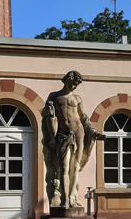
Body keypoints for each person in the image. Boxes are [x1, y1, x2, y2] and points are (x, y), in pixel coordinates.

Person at [42, 70, 103, 209]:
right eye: (72, 84)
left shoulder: (77, 98)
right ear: (66, 81)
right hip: (62, 134)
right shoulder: (54, 96)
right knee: (63, 167)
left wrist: (92, 131)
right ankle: (64, 200)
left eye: (76, 85)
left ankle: (72, 198)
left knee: (75, 166)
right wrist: (50, 134)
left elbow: (83, 117)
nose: (74, 87)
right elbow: (47, 117)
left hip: (78, 132)